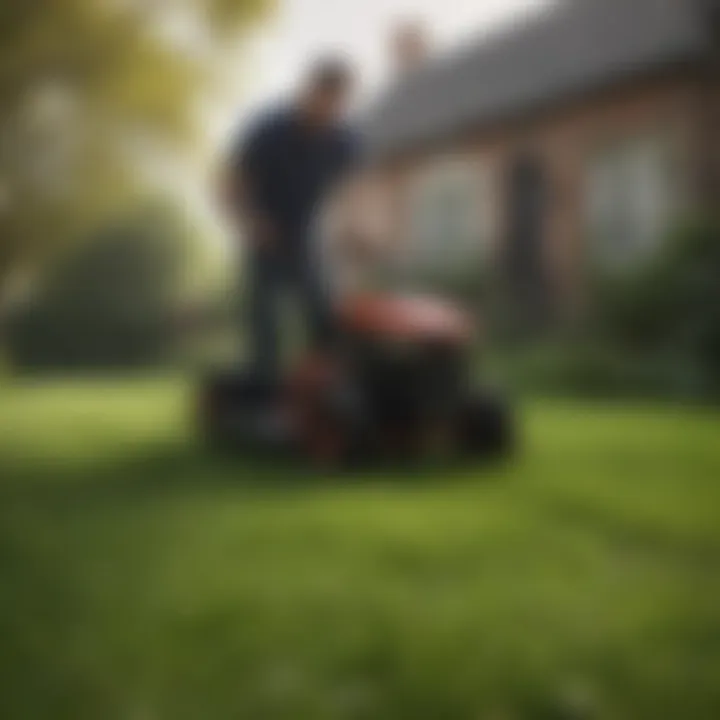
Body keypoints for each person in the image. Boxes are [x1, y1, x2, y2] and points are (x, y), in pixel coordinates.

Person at [222, 57, 361, 383]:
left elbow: (354, 192)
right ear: (308, 91)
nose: (330, 107)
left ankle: (322, 386)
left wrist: (355, 229)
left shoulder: (343, 142)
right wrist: (253, 222)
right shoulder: (269, 131)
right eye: (324, 96)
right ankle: (264, 388)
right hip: (265, 235)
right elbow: (230, 185)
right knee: (265, 319)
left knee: (326, 317)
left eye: (338, 101)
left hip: (306, 238)